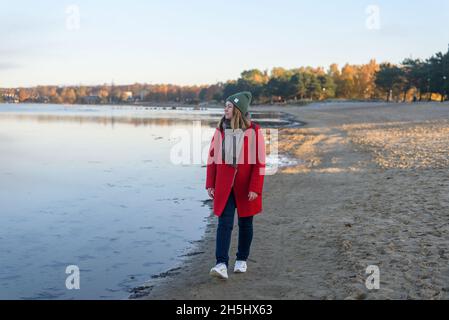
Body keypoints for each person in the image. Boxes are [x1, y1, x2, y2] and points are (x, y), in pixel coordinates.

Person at [205, 91, 266, 280]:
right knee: (224, 224)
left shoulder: (254, 131)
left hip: (246, 186)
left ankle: (242, 259)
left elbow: (259, 162)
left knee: (246, 223)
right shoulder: (221, 129)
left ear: (238, 110)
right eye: (225, 105)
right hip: (224, 186)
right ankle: (221, 264)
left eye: (229, 106)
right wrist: (210, 183)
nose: (225, 109)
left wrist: (255, 187)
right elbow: (212, 158)